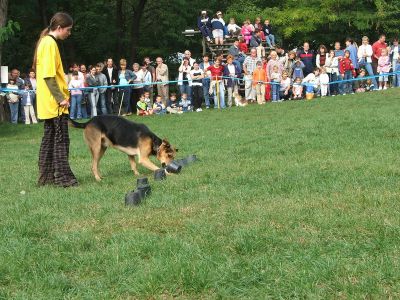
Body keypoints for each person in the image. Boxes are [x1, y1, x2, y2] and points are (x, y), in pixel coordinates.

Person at [33, 12, 78, 187]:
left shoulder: (44, 43)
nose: (69, 33)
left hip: (47, 103)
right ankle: (63, 179)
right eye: (68, 29)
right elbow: (49, 77)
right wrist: (61, 99)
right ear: (59, 28)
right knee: (61, 141)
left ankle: (46, 178)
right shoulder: (50, 44)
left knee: (49, 140)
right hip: (55, 104)